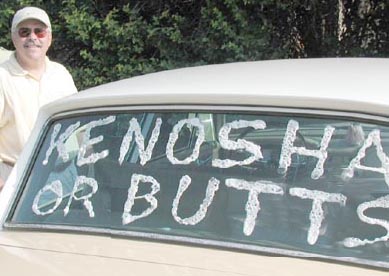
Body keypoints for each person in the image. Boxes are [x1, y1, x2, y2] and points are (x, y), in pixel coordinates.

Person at [0, 7, 78, 191]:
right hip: (16, 177)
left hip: (65, 174)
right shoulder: (2, 77)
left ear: (49, 38)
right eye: (24, 32)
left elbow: (79, 127)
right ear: (14, 38)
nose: (32, 38)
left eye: (39, 31)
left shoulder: (61, 74)